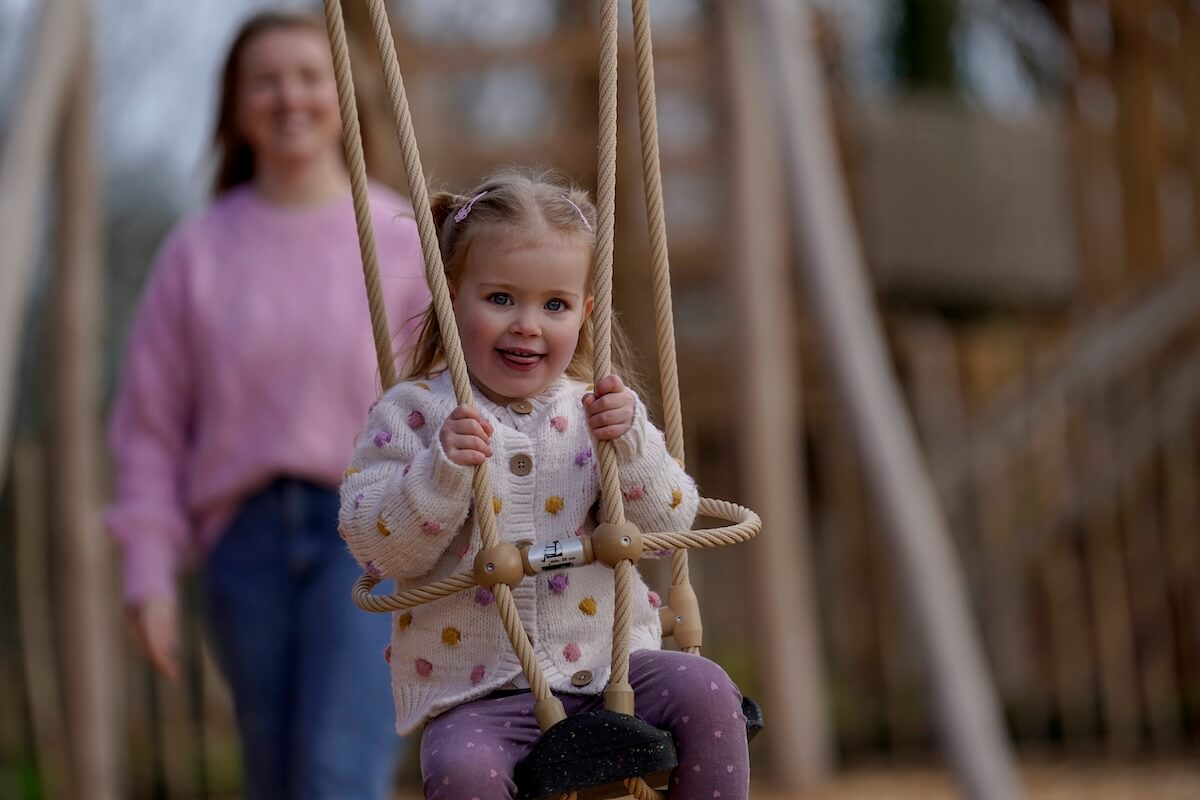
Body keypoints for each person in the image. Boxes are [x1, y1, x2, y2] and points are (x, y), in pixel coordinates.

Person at [338, 168, 751, 799]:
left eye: (554, 305)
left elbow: (670, 530)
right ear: (451, 297)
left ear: (584, 313)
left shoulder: (600, 412)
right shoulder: (415, 414)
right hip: (481, 694)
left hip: (613, 671)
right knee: (460, 770)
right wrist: (441, 473)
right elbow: (376, 547)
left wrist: (632, 445)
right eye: (501, 298)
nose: (528, 324)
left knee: (709, 689)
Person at [106, 11, 429, 799]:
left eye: (310, 77)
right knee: (278, 777)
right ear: (237, 106)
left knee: (335, 773)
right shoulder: (198, 253)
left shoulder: (401, 237)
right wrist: (148, 574)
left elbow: (457, 389)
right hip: (241, 548)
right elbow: (152, 430)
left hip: (372, 532)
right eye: (267, 80)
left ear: (346, 96)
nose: (291, 97)